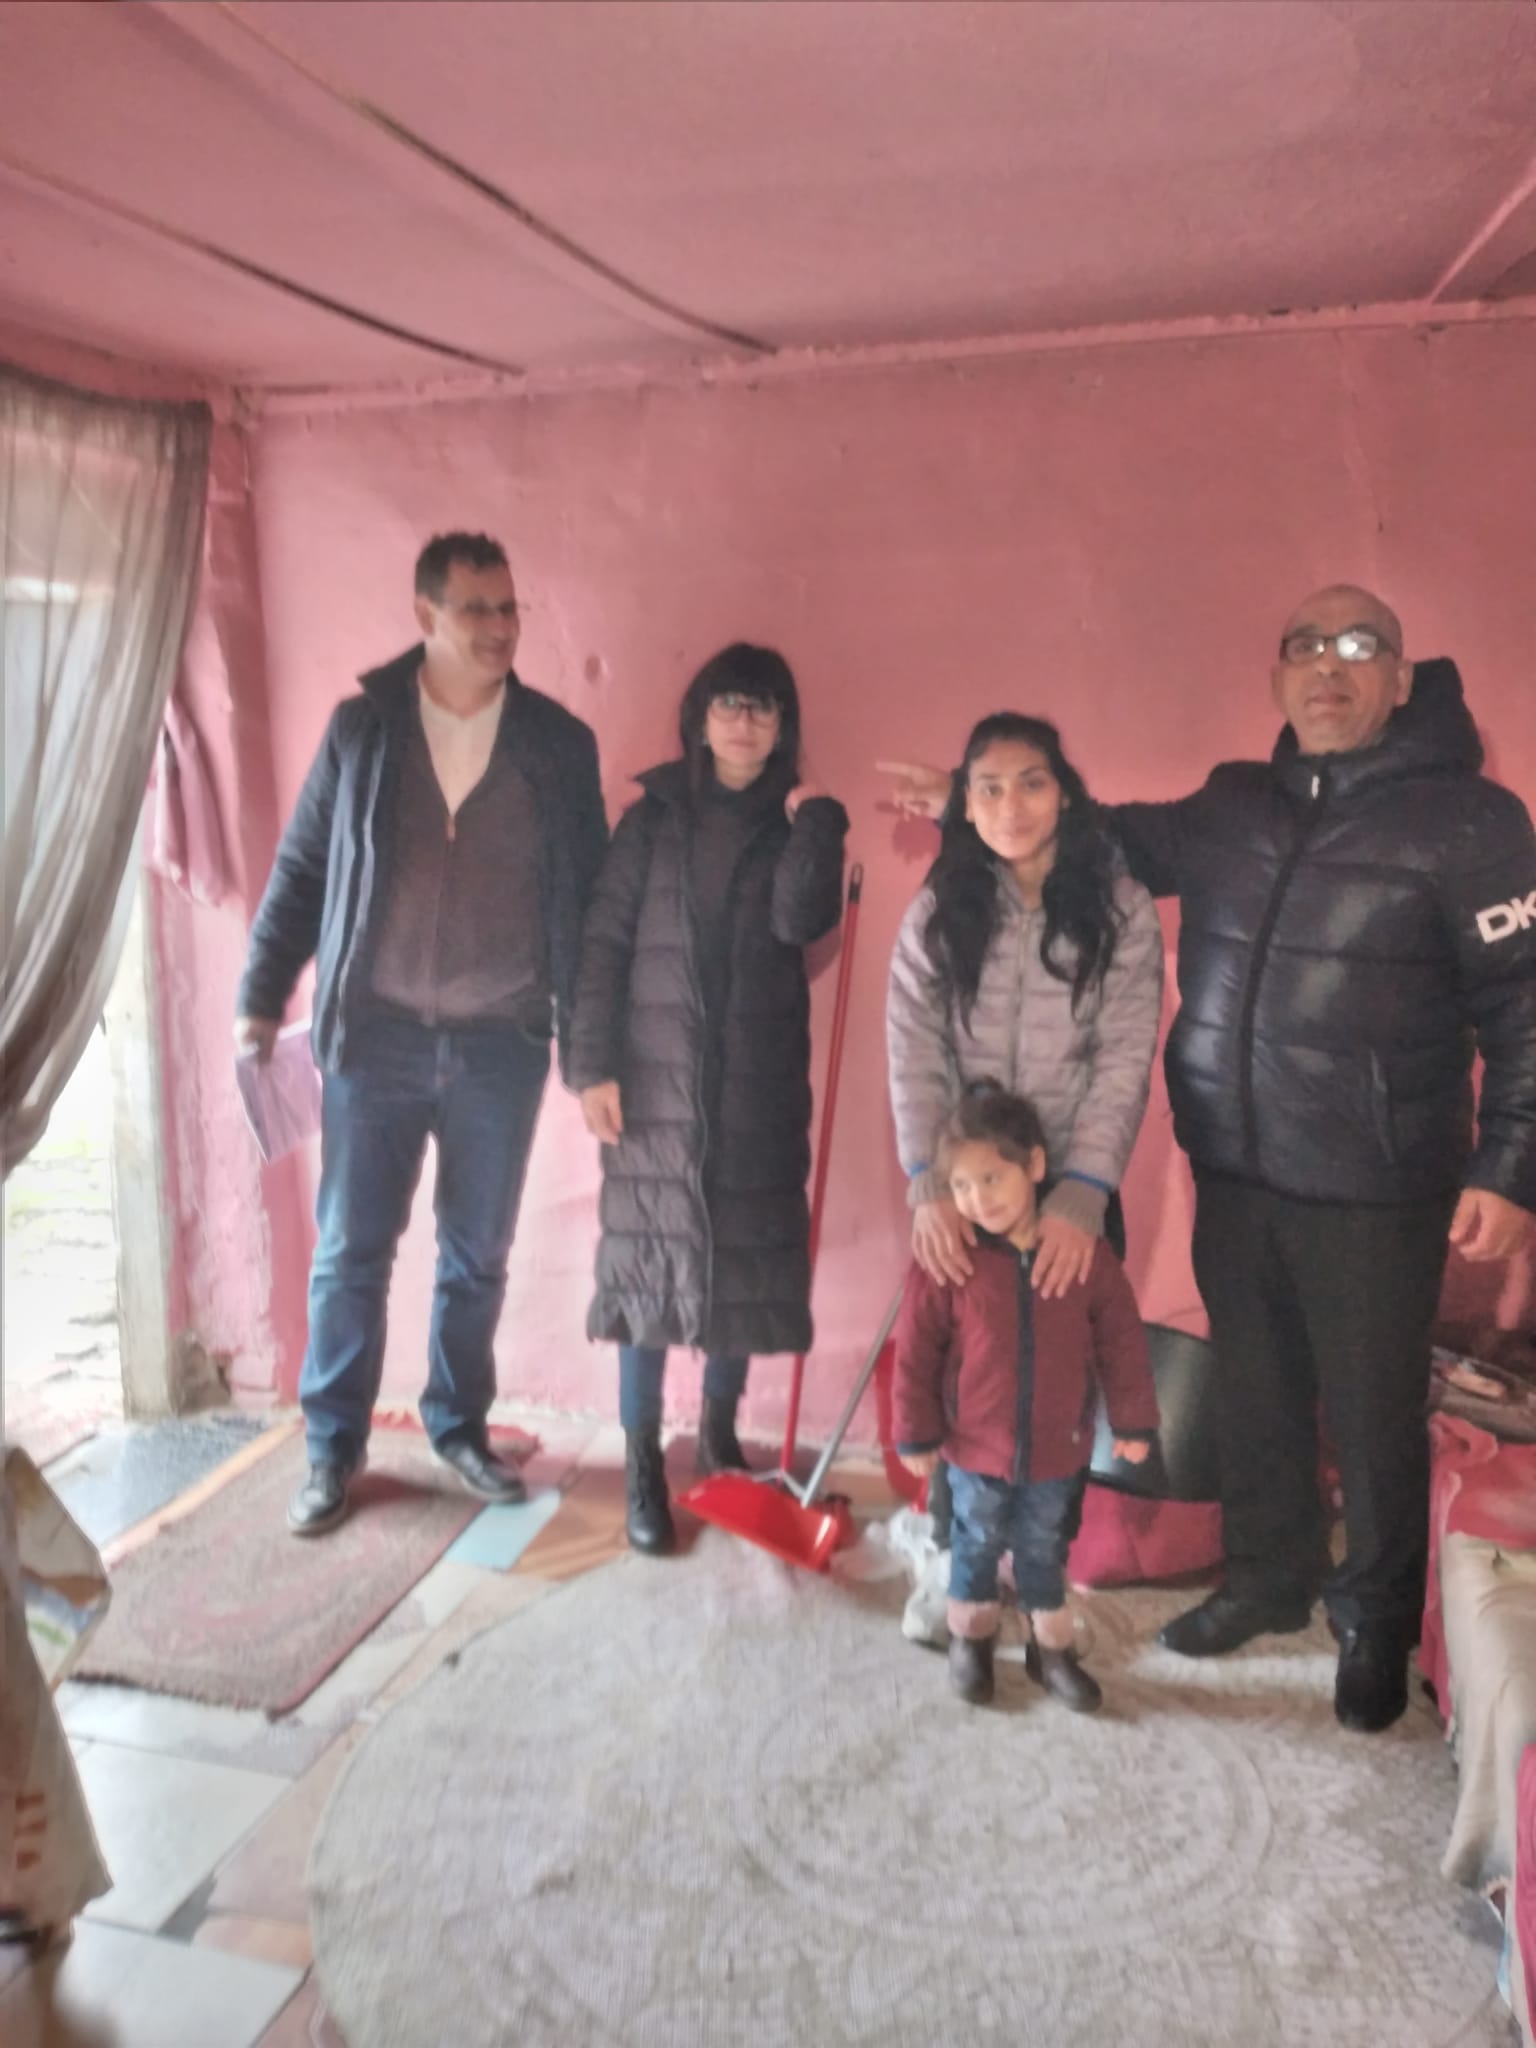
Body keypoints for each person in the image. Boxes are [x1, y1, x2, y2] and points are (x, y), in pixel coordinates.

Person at [881, 585, 1536, 1732]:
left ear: (1399, 676)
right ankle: (1270, 1576)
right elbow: (1106, 835)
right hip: (1234, 1165)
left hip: (1378, 1183)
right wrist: (976, 799)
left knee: (1372, 1412)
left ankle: (1374, 1621)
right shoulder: (1236, 801)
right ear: (1277, 674)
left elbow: (1526, 1003)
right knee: (1259, 1390)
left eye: (1358, 646)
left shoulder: (1473, 822)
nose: (1327, 666)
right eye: (1305, 645)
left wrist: (1510, 1165)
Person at [236, 532, 607, 1536]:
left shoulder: (557, 743)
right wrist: (260, 994)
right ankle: (331, 1448)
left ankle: (458, 1425)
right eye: (476, 608)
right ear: (425, 614)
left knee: (476, 1253)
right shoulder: (364, 729)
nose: (499, 627)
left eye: (509, 608)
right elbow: (304, 867)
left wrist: (592, 1054)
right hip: (376, 1042)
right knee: (352, 1250)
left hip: (501, 1046)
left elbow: (589, 906)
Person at [568, 644, 848, 1555]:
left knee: (743, 1260)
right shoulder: (650, 822)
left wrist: (821, 827)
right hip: (654, 1082)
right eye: (728, 703)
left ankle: (719, 1437)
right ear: (699, 716)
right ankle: (643, 1459)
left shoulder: (794, 822)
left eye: (763, 707)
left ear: (783, 725)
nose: (743, 721)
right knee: (646, 1267)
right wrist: (591, 1066)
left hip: (756, 1080)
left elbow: (802, 921)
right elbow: (604, 944)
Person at [885, 712, 1164, 1627]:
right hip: (966, 1193)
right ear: (966, 805)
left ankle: (1041, 1569)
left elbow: (1124, 1056)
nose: (1012, 805)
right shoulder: (939, 907)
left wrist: (1084, 1191)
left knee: (1056, 1392)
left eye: (1032, 783)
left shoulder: (1119, 908)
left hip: (1071, 1192)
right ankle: (953, 1560)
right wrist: (931, 1182)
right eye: (990, 788)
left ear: (1066, 794)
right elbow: (914, 1048)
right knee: (960, 1379)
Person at [893, 1084, 1159, 1709]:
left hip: (1057, 1447)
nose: (977, 1199)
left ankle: (1051, 1649)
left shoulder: (1083, 1255)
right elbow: (916, 1353)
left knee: (1043, 1548)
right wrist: (916, 1433)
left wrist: (1134, 1422)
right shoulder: (949, 1259)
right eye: (961, 1186)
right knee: (975, 1542)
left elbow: (1121, 1341)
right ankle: (971, 1638)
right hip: (974, 1448)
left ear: (1035, 1166)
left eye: (992, 1178)